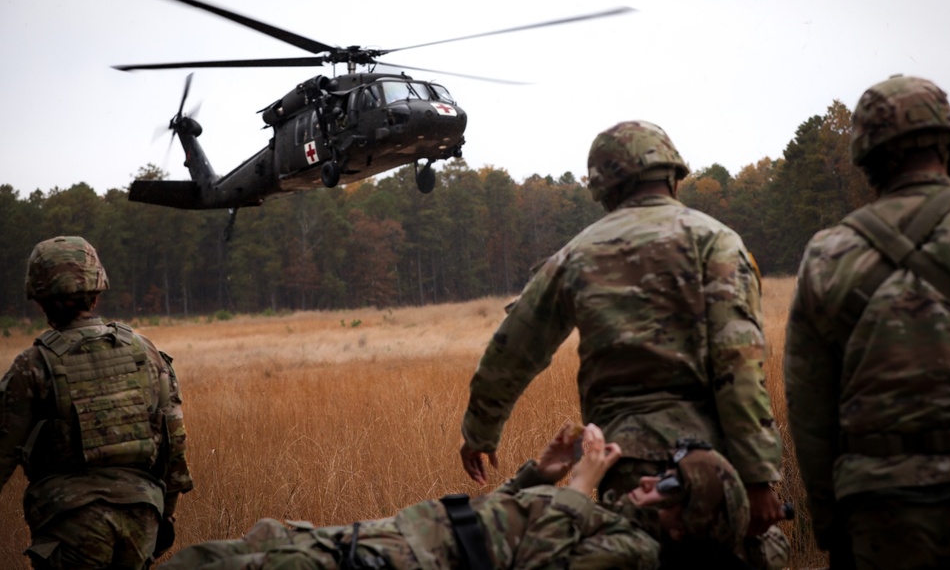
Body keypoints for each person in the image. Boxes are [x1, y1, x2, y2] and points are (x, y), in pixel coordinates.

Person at [458, 121, 784, 538]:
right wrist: (757, 476)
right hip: (716, 466)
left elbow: (513, 351)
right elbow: (739, 363)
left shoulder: (575, 255)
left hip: (627, 465)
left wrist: (479, 433)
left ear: (605, 189)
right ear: (672, 175)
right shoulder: (716, 241)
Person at [784, 75, 950, 569]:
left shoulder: (827, 252)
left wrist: (831, 525)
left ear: (867, 161)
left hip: (878, 507)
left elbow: (809, 407)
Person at [161, 423, 755, 569]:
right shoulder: (614, 522)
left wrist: (578, 486)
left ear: (685, 524)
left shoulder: (633, 554)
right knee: (225, 550)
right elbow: (507, 527)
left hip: (399, 559)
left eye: (669, 487)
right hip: (391, 541)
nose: (650, 481)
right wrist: (538, 476)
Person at [0, 236, 194, 569]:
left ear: (39, 296)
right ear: (97, 289)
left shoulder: (33, 364)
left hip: (70, 520)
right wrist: (165, 515)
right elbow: (174, 444)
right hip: (142, 515)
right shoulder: (144, 351)